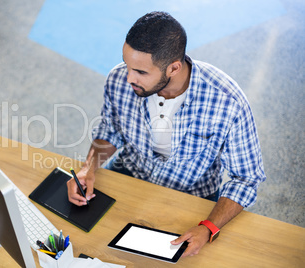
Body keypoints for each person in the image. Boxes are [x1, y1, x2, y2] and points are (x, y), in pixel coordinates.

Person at [67, 11, 266, 257]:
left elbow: (246, 178)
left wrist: (209, 227)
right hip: (130, 175)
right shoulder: (119, 79)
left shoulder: (227, 103)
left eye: (141, 72)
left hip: (191, 195)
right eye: (127, 65)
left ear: (173, 68)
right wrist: (89, 167)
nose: (128, 77)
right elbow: (111, 129)